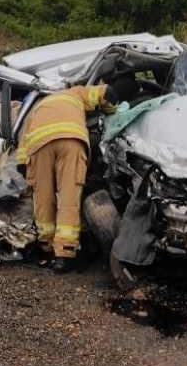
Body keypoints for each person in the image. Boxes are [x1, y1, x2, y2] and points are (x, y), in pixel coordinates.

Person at [15, 76, 138, 272]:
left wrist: (22, 164)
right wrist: (112, 109)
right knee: (68, 197)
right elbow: (105, 94)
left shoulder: (39, 105)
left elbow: (23, 138)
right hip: (70, 141)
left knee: (43, 197)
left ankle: (46, 247)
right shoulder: (76, 93)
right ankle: (64, 253)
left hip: (38, 146)